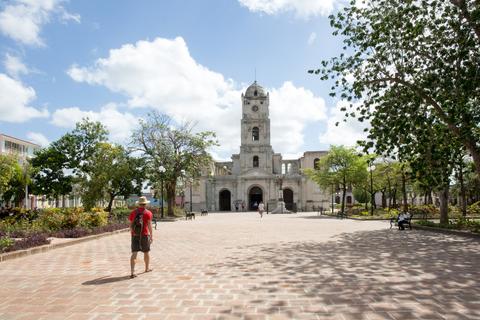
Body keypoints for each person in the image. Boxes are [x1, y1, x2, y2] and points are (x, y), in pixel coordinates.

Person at [129, 196, 153, 278]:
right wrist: (151, 236)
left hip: (135, 235)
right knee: (146, 252)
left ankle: (132, 272)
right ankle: (146, 268)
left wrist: (133, 233)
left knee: (134, 254)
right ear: (145, 204)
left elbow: (131, 225)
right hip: (144, 235)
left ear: (138, 204)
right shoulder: (148, 213)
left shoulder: (133, 212)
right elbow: (149, 225)